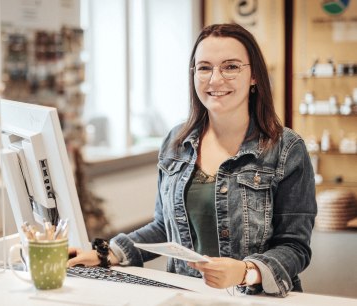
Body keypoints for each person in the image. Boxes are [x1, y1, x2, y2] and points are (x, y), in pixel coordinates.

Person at [68, 23, 317, 297]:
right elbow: (164, 227)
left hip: (257, 298)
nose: (215, 79)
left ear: (254, 75)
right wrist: (107, 253)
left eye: (231, 67)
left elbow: (295, 246)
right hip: (186, 295)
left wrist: (246, 271)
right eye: (205, 67)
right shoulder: (177, 141)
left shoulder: (286, 148)